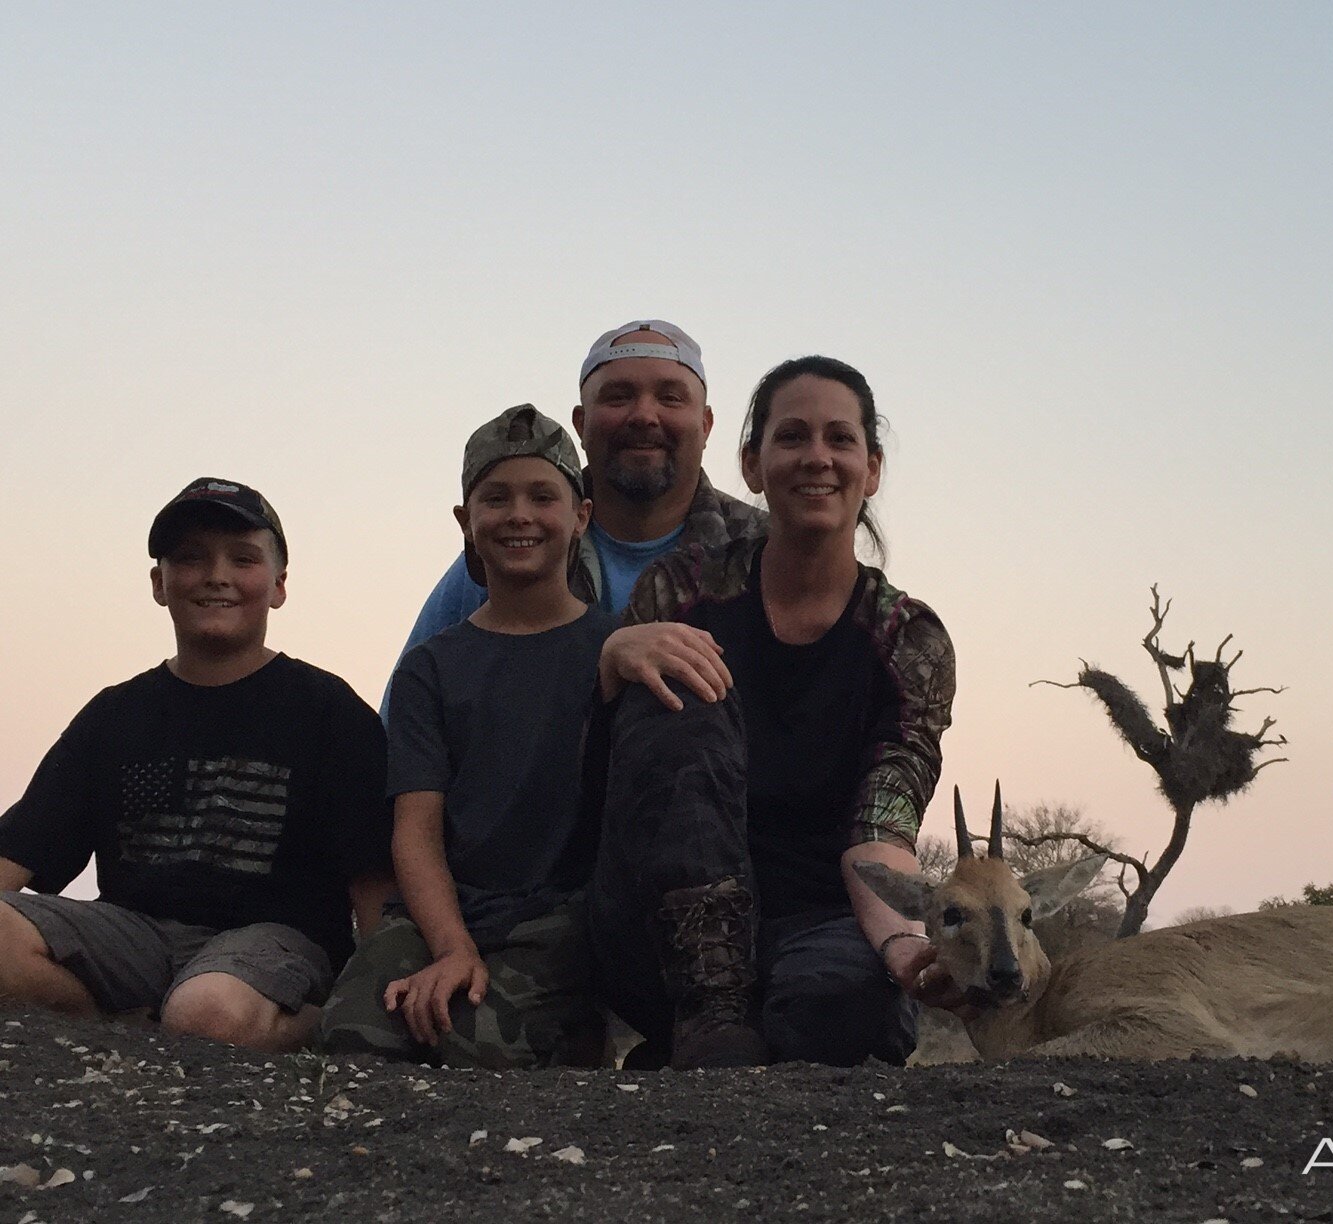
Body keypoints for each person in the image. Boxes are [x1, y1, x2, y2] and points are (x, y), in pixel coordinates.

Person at [589, 355, 957, 1069]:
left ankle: (718, 1040)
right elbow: (609, 772)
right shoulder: (681, 592)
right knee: (682, 674)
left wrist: (903, 944)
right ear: (753, 464)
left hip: (820, 918)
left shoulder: (909, 638)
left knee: (847, 1013)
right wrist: (613, 659)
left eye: (839, 440)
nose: (816, 458)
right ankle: (710, 1009)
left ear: (871, 469)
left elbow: (883, 821)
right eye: (791, 438)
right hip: (658, 923)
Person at [0, 479, 391, 1052]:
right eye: (190, 559)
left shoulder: (330, 711)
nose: (216, 575)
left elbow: (371, 875)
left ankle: (314, 1024)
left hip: (274, 943)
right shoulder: (114, 715)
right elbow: (21, 851)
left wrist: (373, 997)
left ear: (279, 585)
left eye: (242, 558)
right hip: (133, 935)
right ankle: (128, 1027)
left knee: (208, 1013)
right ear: (159, 583)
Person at [321, 406, 617, 1068]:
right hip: (447, 909)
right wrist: (452, 946)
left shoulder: (613, 651)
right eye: (496, 498)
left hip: (559, 916)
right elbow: (416, 830)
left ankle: (579, 1034)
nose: (519, 515)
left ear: (581, 518)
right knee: (357, 1036)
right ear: (465, 522)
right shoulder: (433, 666)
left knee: (467, 1042)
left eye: (544, 496)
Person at [386, 320, 765, 719]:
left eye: (670, 398)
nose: (644, 415)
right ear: (581, 424)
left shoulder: (765, 552)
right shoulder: (502, 559)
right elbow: (403, 724)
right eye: (618, 397)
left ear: (705, 426)